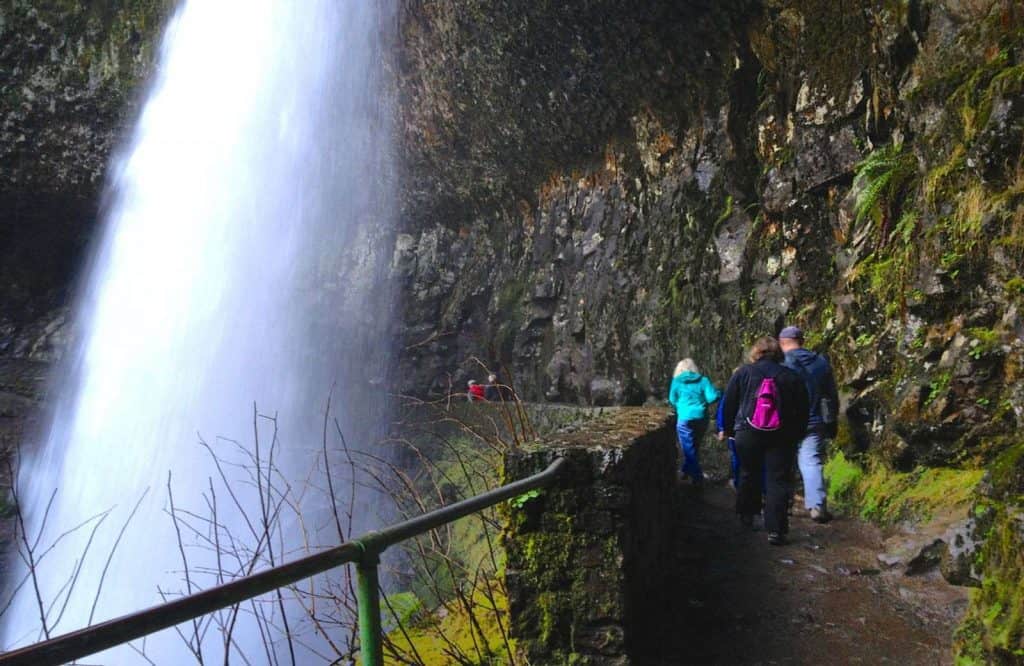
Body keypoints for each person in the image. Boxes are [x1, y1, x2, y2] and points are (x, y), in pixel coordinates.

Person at [720, 337, 809, 545]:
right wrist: (797, 433)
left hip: (747, 433)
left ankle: (746, 516)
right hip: (782, 435)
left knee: (748, 472)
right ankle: (776, 530)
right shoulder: (790, 376)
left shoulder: (743, 373)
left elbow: (730, 403)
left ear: (756, 352)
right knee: (777, 480)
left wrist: (729, 429)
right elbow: (803, 409)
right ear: (779, 354)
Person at [779, 325, 840, 523]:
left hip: (787, 421)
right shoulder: (820, 362)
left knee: (783, 461)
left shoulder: (782, 363)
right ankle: (817, 506)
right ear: (802, 340)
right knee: (811, 461)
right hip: (814, 419)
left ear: (782, 343)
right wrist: (832, 420)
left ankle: (783, 504)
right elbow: (831, 394)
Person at [668, 358, 722, 487]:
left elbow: (672, 399)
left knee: (688, 449)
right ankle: (686, 471)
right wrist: (715, 395)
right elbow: (712, 397)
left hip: (685, 418)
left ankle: (697, 478)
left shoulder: (676, 381)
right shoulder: (703, 380)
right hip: (701, 418)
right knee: (694, 447)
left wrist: (681, 406)